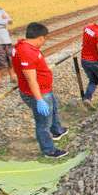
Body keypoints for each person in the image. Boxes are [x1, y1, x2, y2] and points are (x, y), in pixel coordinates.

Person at [12, 22, 68, 158]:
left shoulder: (21, 45)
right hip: (39, 93)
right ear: (41, 38)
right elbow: (31, 79)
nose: (44, 42)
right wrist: (39, 100)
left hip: (45, 89)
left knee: (53, 108)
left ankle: (56, 131)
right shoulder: (27, 52)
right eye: (44, 39)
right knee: (43, 123)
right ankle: (49, 150)